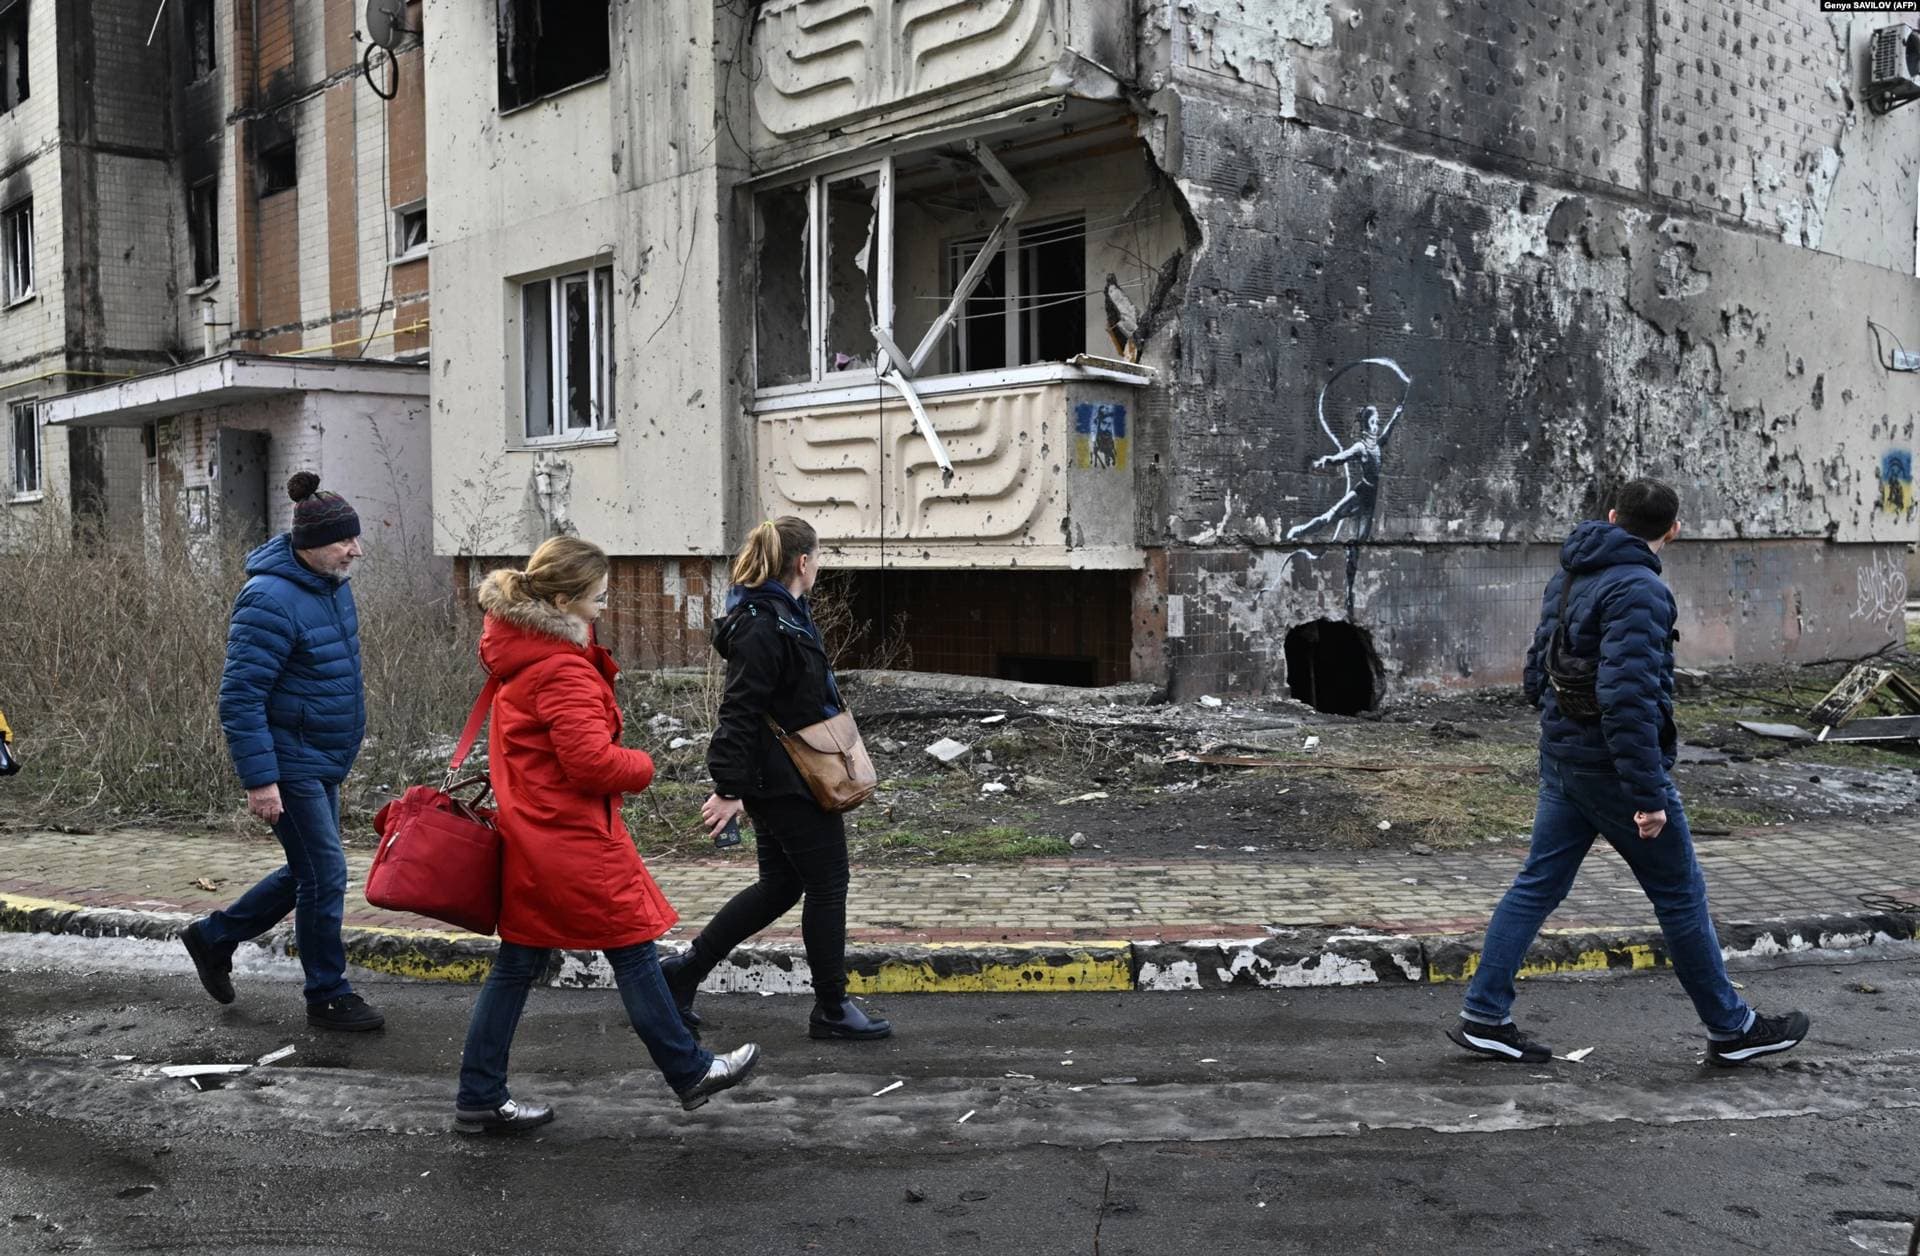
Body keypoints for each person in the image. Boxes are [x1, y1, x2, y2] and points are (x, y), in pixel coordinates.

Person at [1447, 479, 1810, 1067]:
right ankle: (1731, 1028)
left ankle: (1485, 1015)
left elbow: (1538, 667)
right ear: (1675, 530)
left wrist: (1556, 722)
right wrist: (1647, 795)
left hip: (1565, 758)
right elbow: (1629, 698)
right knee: (1681, 896)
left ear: (1614, 516)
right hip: (1614, 770)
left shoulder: (1572, 572)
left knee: (1537, 885)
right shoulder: (1640, 589)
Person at [452, 536, 759, 1134]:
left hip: (536, 834)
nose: (605, 604)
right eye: (597, 596)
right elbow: (591, 763)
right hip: (572, 837)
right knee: (633, 949)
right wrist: (642, 765)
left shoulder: (524, 655)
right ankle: (689, 1070)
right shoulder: (560, 668)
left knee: (518, 965)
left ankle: (480, 1096)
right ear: (563, 601)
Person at [661, 517, 892, 1042]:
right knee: (828, 884)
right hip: (787, 782)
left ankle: (682, 973)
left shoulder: (782, 613)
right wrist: (728, 789)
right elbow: (740, 708)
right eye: (819, 558)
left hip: (785, 775)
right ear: (803, 563)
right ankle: (832, 1008)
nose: (820, 567)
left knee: (781, 885)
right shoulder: (765, 622)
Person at [182, 473, 384, 1031]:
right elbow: (240, 696)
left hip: (322, 754)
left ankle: (214, 935)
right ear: (311, 543)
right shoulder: (268, 598)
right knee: (326, 871)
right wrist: (260, 780)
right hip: (288, 759)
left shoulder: (332, 587)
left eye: (356, 538)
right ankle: (328, 994)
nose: (356, 550)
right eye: (346, 541)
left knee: (309, 871)